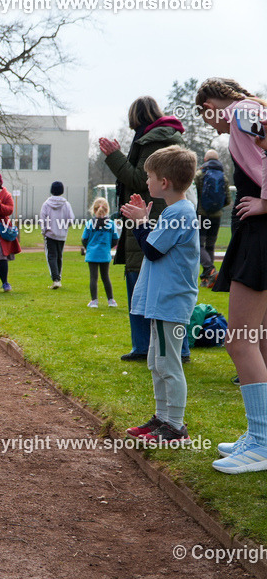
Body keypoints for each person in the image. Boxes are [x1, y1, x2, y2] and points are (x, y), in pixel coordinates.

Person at [195, 77, 267, 473]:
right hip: (257, 231)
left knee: (239, 341)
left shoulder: (242, 111)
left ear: (213, 101)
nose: (211, 125)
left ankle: (262, 442)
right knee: (260, 341)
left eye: (207, 114)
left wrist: (265, 202)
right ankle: (260, 434)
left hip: (260, 234)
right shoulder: (250, 111)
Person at [120, 146, 199, 443]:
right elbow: (159, 242)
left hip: (171, 302)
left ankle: (175, 426)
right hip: (162, 301)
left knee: (168, 363)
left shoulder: (179, 212)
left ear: (163, 182)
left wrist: (141, 223)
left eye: (150, 177)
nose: (147, 182)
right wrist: (146, 222)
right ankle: (161, 419)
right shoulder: (175, 211)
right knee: (156, 360)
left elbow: (152, 250)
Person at [100, 97, 185, 362]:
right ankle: (166, 348)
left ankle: (148, 347)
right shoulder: (162, 137)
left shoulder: (153, 141)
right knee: (154, 282)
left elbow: (138, 179)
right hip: (152, 214)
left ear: (137, 117)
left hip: (150, 215)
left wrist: (114, 157)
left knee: (140, 280)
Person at [194, 149, 230, 287]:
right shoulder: (223, 177)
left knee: (199, 245)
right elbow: (227, 199)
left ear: (205, 160)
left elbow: (194, 195)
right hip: (217, 216)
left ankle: (210, 270)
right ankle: (207, 278)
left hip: (202, 215)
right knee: (210, 245)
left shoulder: (200, 175)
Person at [81, 197, 119, 308]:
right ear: (107, 210)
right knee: (105, 277)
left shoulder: (89, 223)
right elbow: (115, 239)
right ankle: (111, 300)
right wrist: (107, 247)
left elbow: (84, 239)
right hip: (104, 253)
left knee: (93, 277)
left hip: (92, 254)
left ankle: (94, 301)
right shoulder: (111, 224)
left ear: (93, 209)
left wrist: (89, 248)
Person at [39, 181, 75, 289]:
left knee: (51, 256)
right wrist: (65, 227)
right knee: (59, 256)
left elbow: (43, 218)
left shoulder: (46, 204)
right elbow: (71, 219)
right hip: (62, 235)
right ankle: (58, 278)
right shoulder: (66, 204)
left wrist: (44, 231)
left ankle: (55, 279)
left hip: (50, 234)